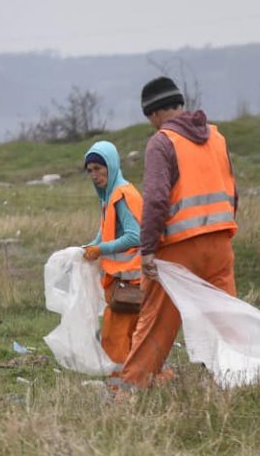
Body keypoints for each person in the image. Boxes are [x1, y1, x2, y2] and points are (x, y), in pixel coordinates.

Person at [109, 76, 238, 392]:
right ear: (179, 104)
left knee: (156, 323)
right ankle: (241, 381)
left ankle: (129, 390)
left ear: (153, 114)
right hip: (220, 243)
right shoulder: (217, 138)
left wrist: (148, 248)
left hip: (178, 249)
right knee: (227, 322)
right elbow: (234, 191)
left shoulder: (162, 141)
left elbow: (155, 198)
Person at [81, 141, 143, 363]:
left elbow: (135, 236)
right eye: (90, 171)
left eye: (98, 168)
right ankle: (149, 380)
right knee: (136, 337)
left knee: (114, 338)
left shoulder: (121, 195)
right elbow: (104, 233)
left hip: (131, 283)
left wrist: (100, 249)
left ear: (111, 165)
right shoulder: (109, 196)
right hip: (127, 282)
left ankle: (120, 389)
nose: (94, 175)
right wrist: (89, 247)